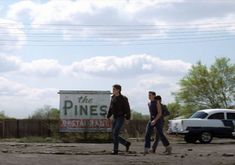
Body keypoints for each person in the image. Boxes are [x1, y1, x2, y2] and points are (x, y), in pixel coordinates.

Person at [107, 84, 131, 155]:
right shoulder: (113, 98)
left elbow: (127, 109)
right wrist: (108, 116)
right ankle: (126, 143)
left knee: (115, 133)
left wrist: (127, 118)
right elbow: (111, 108)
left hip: (121, 117)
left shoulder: (123, 98)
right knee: (114, 134)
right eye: (113, 89)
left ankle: (115, 150)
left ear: (118, 90)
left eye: (114, 89)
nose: (113, 91)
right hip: (115, 117)